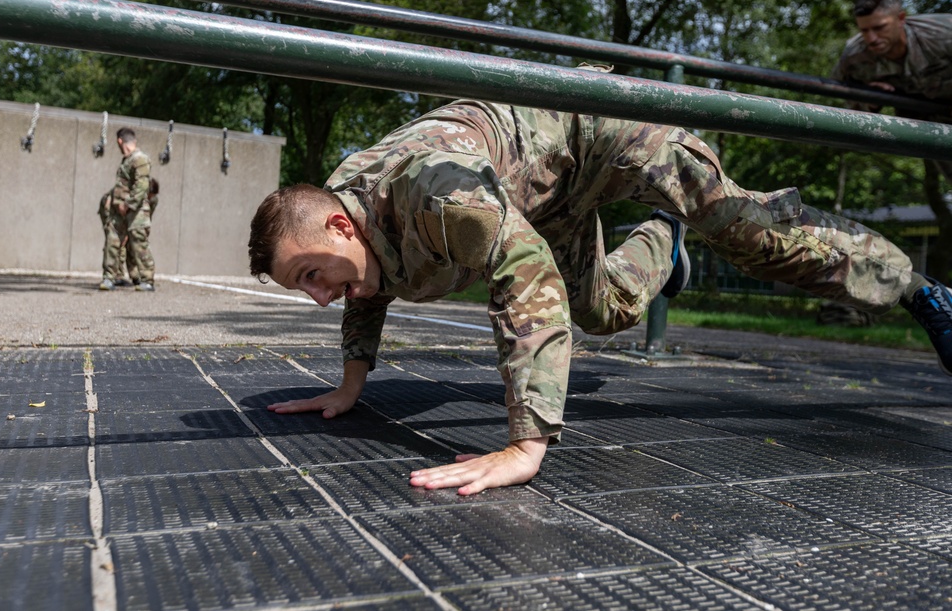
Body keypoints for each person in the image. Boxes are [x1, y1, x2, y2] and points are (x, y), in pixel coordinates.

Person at [248, 67, 952, 496]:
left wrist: (527, 442)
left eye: (311, 275)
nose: (317, 294)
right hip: (541, 191)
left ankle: (918, 288)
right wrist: (349, 384)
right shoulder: (340, 206)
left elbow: (522, 279)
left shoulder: (438, 196)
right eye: (299, 287)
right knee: (606, 311)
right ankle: (660, 240)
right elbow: (367, 285)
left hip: (612, 131)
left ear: (340, 228)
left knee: (754, 239)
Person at [831, 0, 952, 182]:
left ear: (901, 19)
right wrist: (868, 99)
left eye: (879, 28)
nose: (872, 38)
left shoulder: (942, 35)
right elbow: (839, 100)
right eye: (864, 30)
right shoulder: (854, 57)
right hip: (935, 128)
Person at [99, 128, 156, 292]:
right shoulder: (127, 160)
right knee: (112, 240)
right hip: (119, 210)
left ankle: (147, 279)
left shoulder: (140, 159)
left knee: (139, 244)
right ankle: (109, 277)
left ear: (119, 141)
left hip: (136, 210)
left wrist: (128, 205)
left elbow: (142, 186)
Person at [99, 177, 159, 288]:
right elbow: (115, 208)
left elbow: (146, 218)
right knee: (116, 242)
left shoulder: (152, 200)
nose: (151, 198)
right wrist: (123, 232)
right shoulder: (126, 193)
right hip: (112, 210)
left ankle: (135, 275)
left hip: (131, 214)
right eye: (149, 196)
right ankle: (117, 275)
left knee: (135, 242)